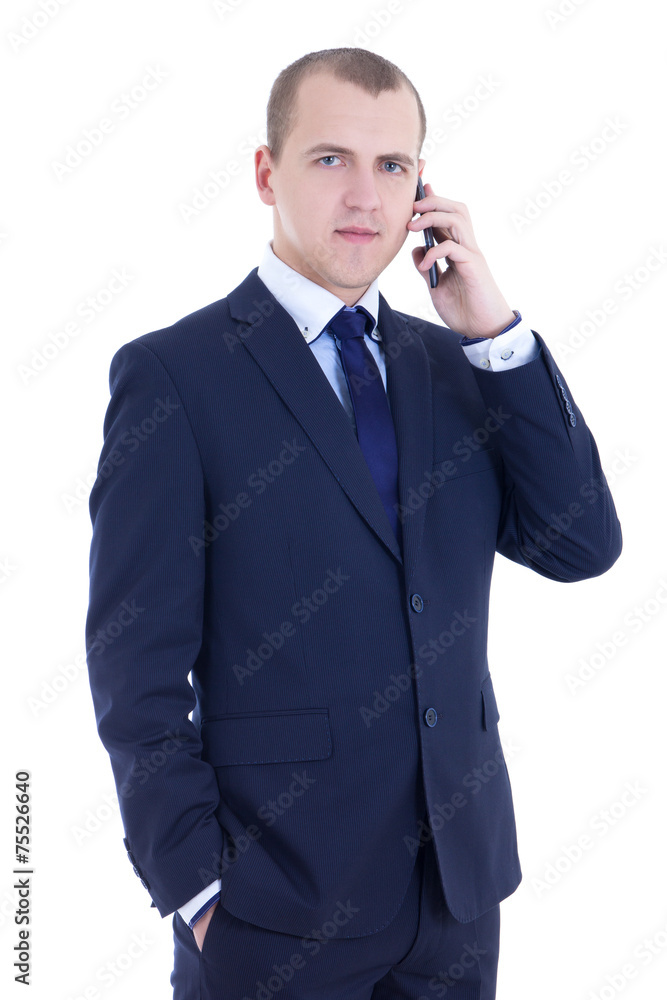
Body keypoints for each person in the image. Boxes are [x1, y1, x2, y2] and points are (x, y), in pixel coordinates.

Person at [85, 47, 622, 999]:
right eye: (330, 159)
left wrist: (493, 331)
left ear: (424, 184)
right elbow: (135, 669)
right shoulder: (175, 376)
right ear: (267, 173)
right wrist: (198, 890)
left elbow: (581, 545)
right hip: (270, 909)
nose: (364, 197)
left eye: (394, 166)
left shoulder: (457, 365)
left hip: (454, 900)